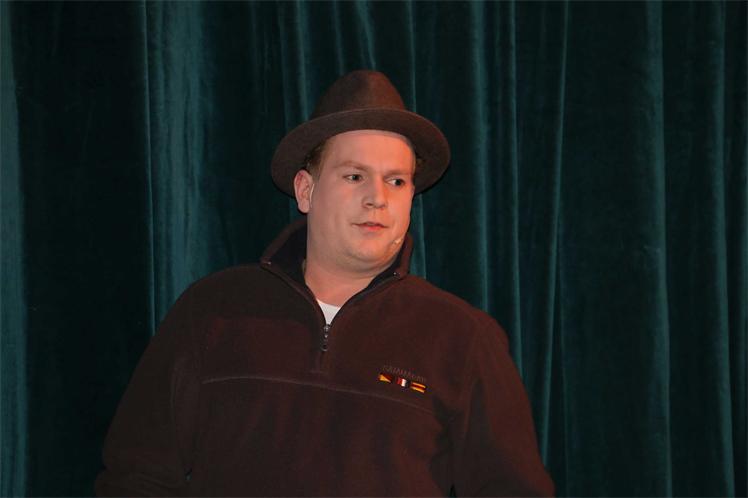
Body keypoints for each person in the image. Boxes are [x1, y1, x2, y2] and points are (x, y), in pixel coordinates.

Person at [95, 70, 554, 497]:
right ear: (305, 190)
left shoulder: (463, 339)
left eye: (396, 181)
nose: (377, 198)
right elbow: (137, 476)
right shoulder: (213, 310)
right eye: (355, 176)